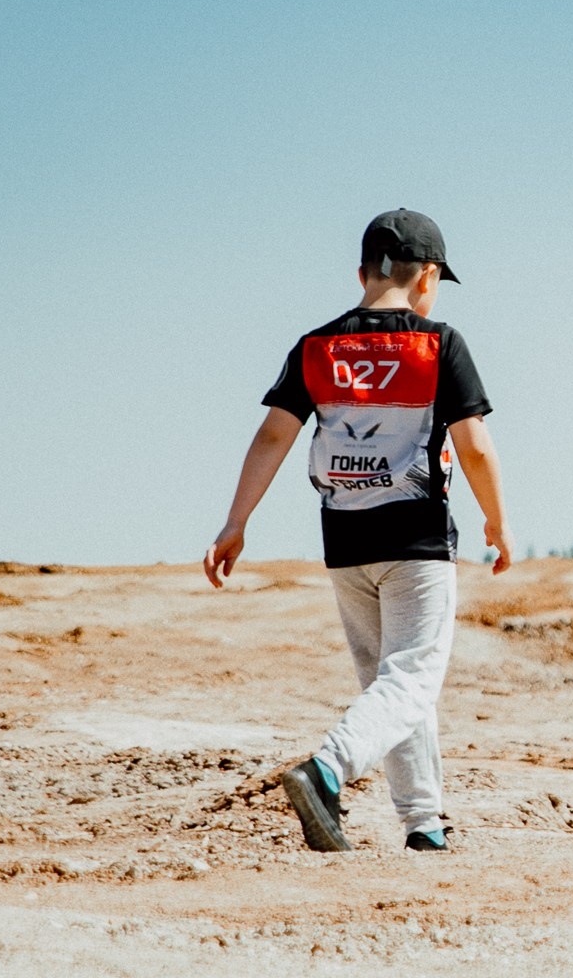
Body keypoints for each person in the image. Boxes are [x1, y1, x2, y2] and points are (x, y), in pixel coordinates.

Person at [203, 209, 512, 856]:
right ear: (427, 276)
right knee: (413, 677)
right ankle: (327, 769)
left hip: (345, 540)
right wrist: (498, 521)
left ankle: (423, 824)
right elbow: (475, 448)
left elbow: (273, 436)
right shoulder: (438, 343)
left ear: (363, 272)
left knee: (392, 685)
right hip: (417, 540)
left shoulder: (318, 346)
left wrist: (237, 521)